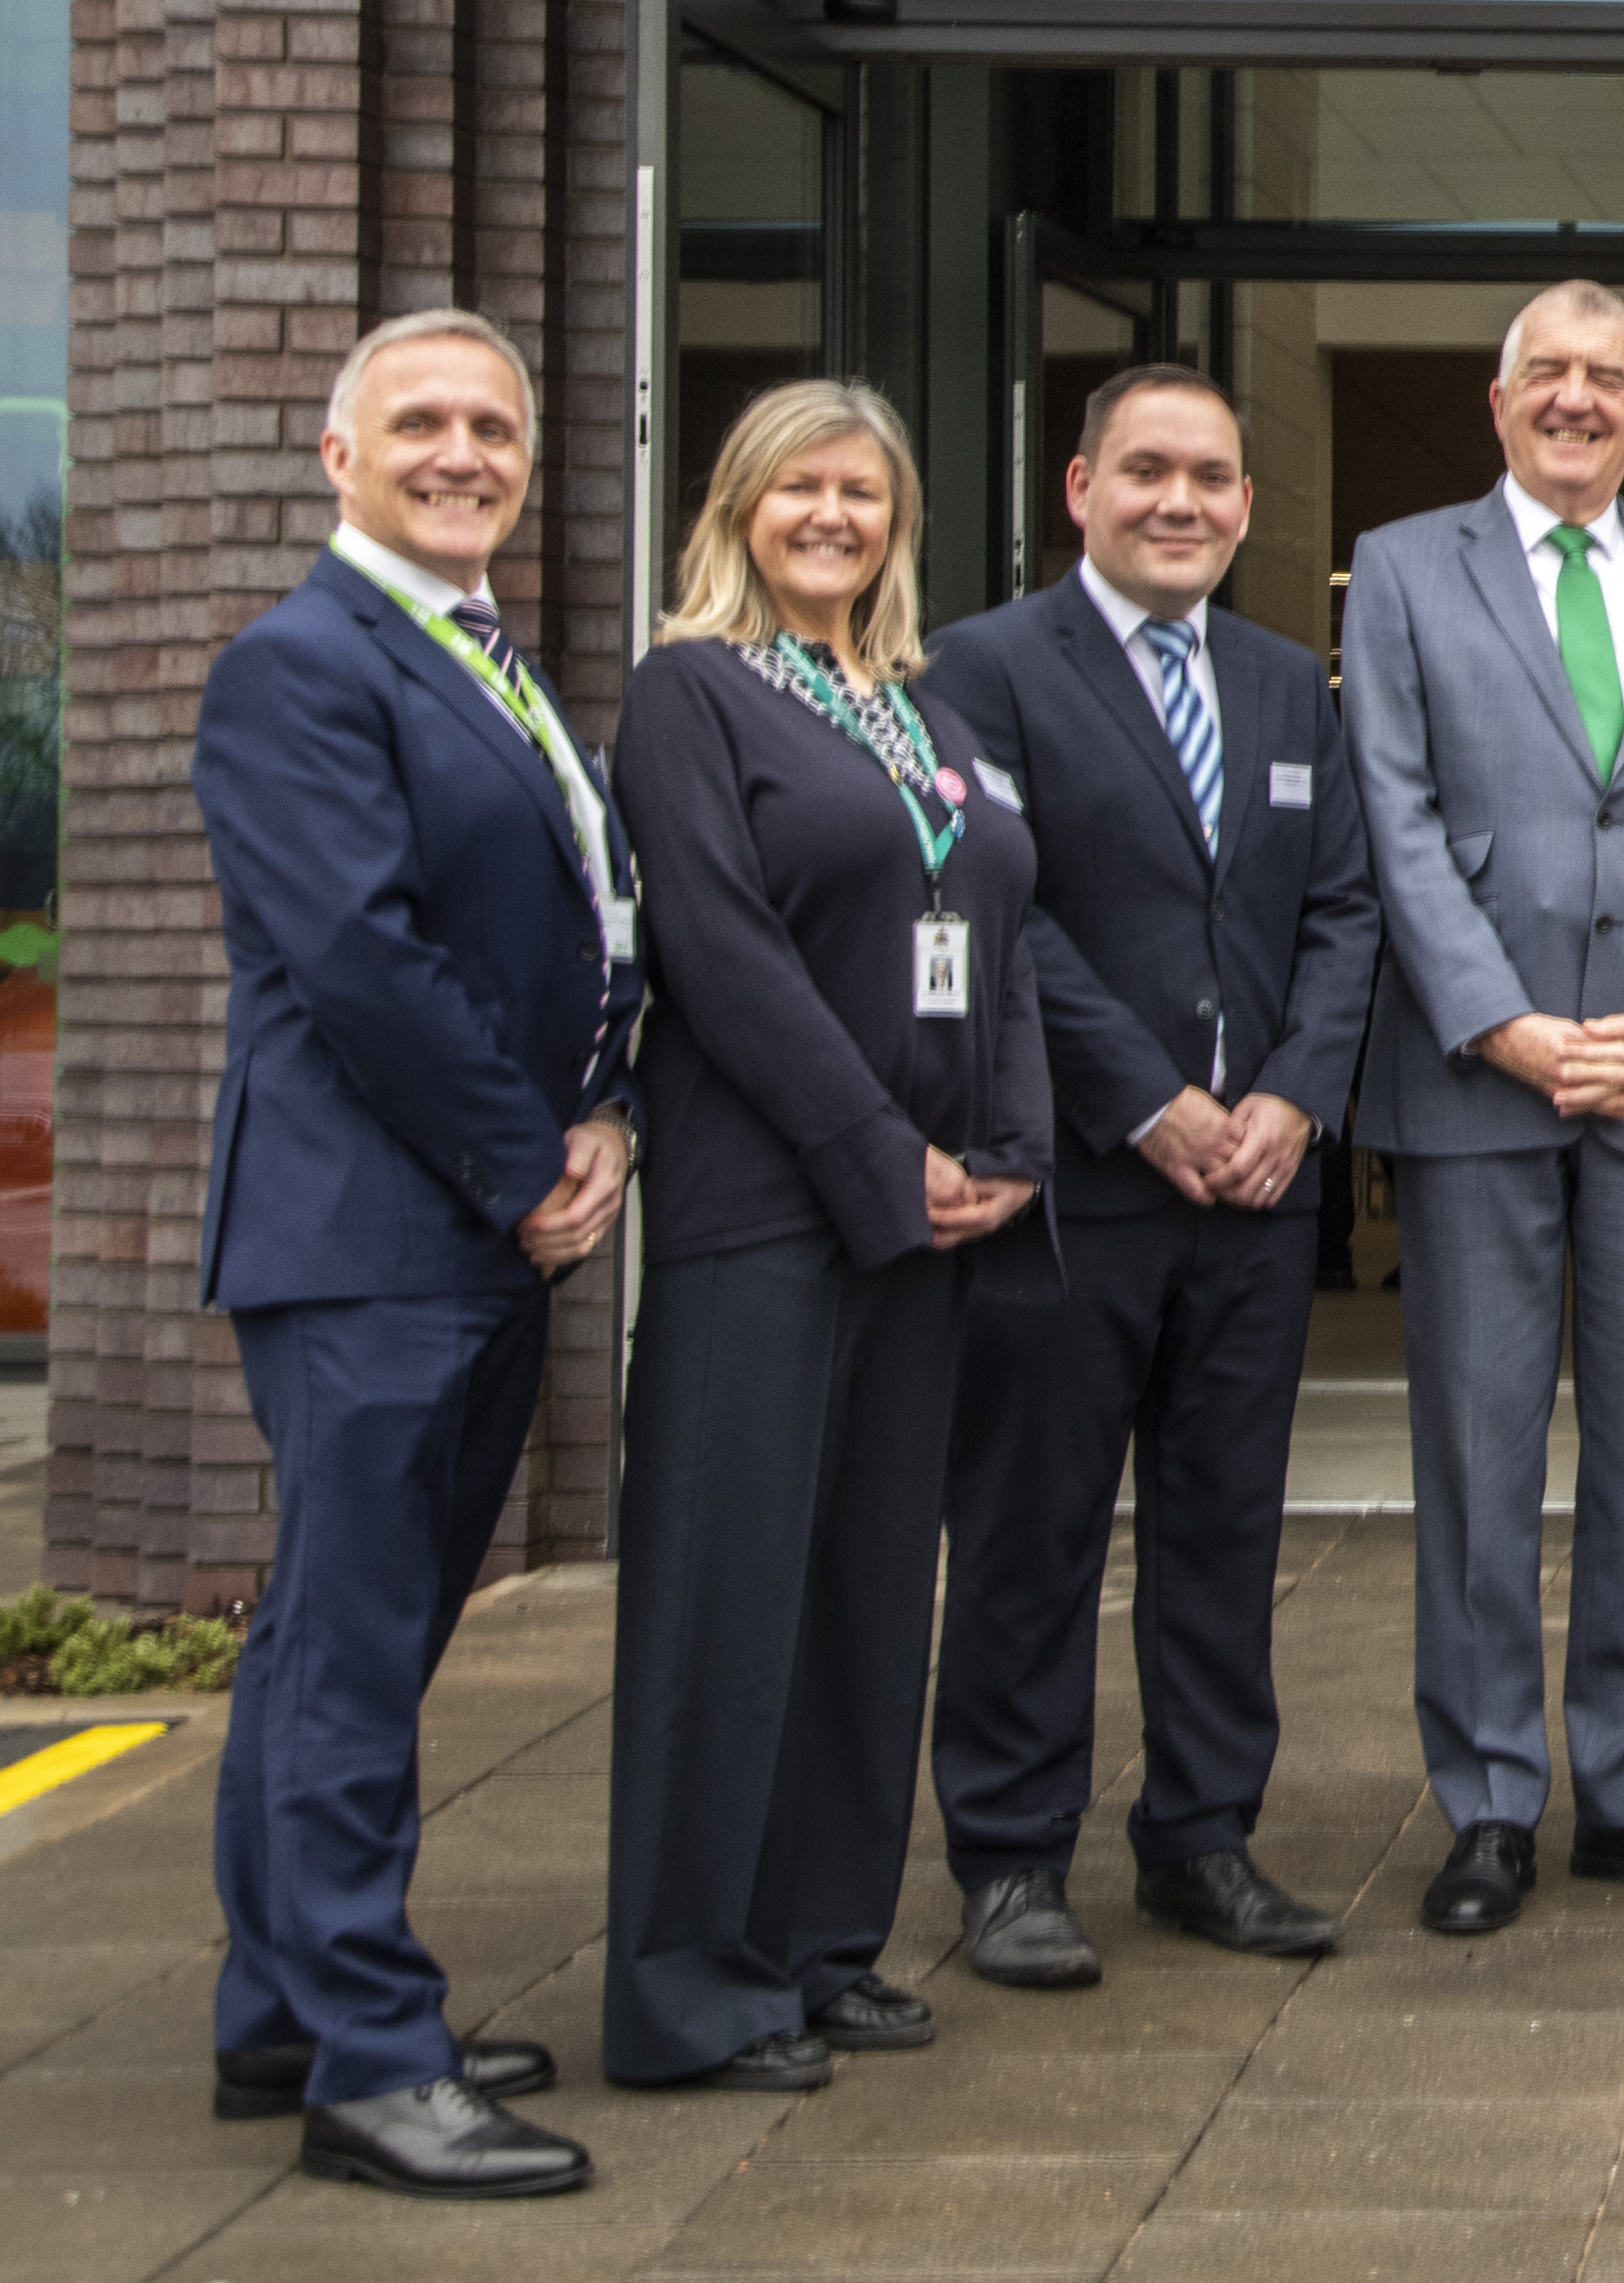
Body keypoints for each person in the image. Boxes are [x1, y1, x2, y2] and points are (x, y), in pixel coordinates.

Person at [187, 310, 634, 2198]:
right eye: (422, 424)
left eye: (493, 428)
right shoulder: (299, 667)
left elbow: (578, 924)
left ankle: (279, 2009)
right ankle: (374, 2060)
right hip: (380, 1233)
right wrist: (530, 1156)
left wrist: (609, 1112)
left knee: (332, 1641)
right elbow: (362, 959)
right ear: (335, 452)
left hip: (475, 1227)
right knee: (353, 1657)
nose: (462, 454)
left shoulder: (481, 657)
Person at [604, 381, 1048, 2094]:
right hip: (766, 1212)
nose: (833, 518)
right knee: (728, 1600)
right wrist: (885, 1157)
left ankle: (817, 1943)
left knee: (868, 1594)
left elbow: (1000, 931)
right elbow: (722, 960)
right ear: (735, 507)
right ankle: (686, 1984)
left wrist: (1003, 1149)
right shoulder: (690, 697)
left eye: (863, 493)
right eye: (800, 488)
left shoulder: (918, 712)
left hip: (924, 1221)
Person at [919, 363, 1382, 1988]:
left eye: (1210, 478)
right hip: (1080, 1190)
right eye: (1147, 472)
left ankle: (1203, 1835)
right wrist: (1153, 1103)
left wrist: (1292, 1101)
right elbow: (1002, 913)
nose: (1180, 501)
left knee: (1223, 1531)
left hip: (1254, 1197)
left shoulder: (1280, 681)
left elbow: (1344, 911)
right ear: (1080, 487)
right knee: (1033, 1528)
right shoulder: (980, 670)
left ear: (1249, 505)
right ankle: (1009, 1855)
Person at [1345, 278, 1624, 1934]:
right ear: (1499, 398)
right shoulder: (1401, 571)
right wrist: (1513, 1026)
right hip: (1481, 1081)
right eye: (1550, 373)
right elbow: (1394, 818)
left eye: (1610, 378)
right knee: (1476, 1452)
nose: (1579, 400)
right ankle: (1484, 1797)